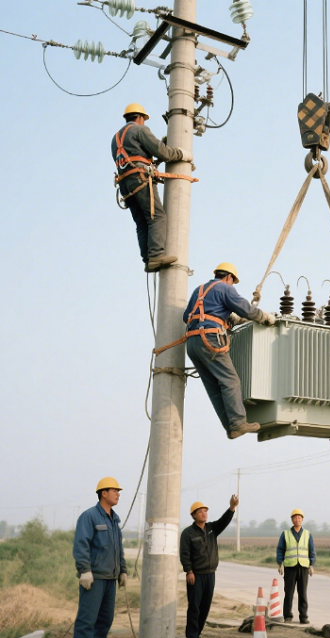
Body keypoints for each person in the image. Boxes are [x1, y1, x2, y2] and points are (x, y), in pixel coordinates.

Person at [183, 262, 275, 439]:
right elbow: (246, 309)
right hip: (209, 340)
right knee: (230, 381)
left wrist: (225, 316)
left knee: (215, 387)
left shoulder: (199, 290)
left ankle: (232, 427)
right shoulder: (225, 289)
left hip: (193, 343)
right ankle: (238, 423)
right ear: (229, 277)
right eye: (233, 281)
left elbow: (186, 316)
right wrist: (265, 318)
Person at [112, 102, 192, 273]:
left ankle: (148, 259)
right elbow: (162, 152)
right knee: (157, 217)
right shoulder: (140, 130)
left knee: (142, 222)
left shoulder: (116, 138)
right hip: (140, 179)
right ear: (140, 118)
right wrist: (182, 154)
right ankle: (156, 255)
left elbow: (137, 157)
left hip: (125, 184)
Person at [71, 477, 127, 638]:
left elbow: (118, 548)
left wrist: (123, 570)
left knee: (105, 619)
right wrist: (84, 570)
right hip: (94, 578)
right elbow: (81, 545)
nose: (118, 494)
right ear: (103, 493)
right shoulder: (90, 516)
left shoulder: (114, 519)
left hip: (110, 579)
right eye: (114, 490)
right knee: (87, 620)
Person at [179, 495, 239, 638]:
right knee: (194, 607)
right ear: (193, 515)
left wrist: (232, 508)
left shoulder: (212, 529)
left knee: (205, 607)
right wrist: (189, 571)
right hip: (196, 575)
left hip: (210, 574)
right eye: (200, 512)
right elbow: (184, 554)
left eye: (205, 511)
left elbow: (224, 521)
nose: (203, 513)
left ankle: (197, 636)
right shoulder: (188, 533)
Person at [276, 508, 316, 624]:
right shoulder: (285, 534)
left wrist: (311, 564)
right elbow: (280, 550)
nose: (297, 519)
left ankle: (303, 616)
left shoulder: (308, 534)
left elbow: (311, 550)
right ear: (292, 520)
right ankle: (287, 616)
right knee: (289, 592)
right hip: (290, 567)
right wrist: (280, 563)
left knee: (302, 593)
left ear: (302, 519)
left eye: (299, 517)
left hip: (303, 567)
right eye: (295, 517)